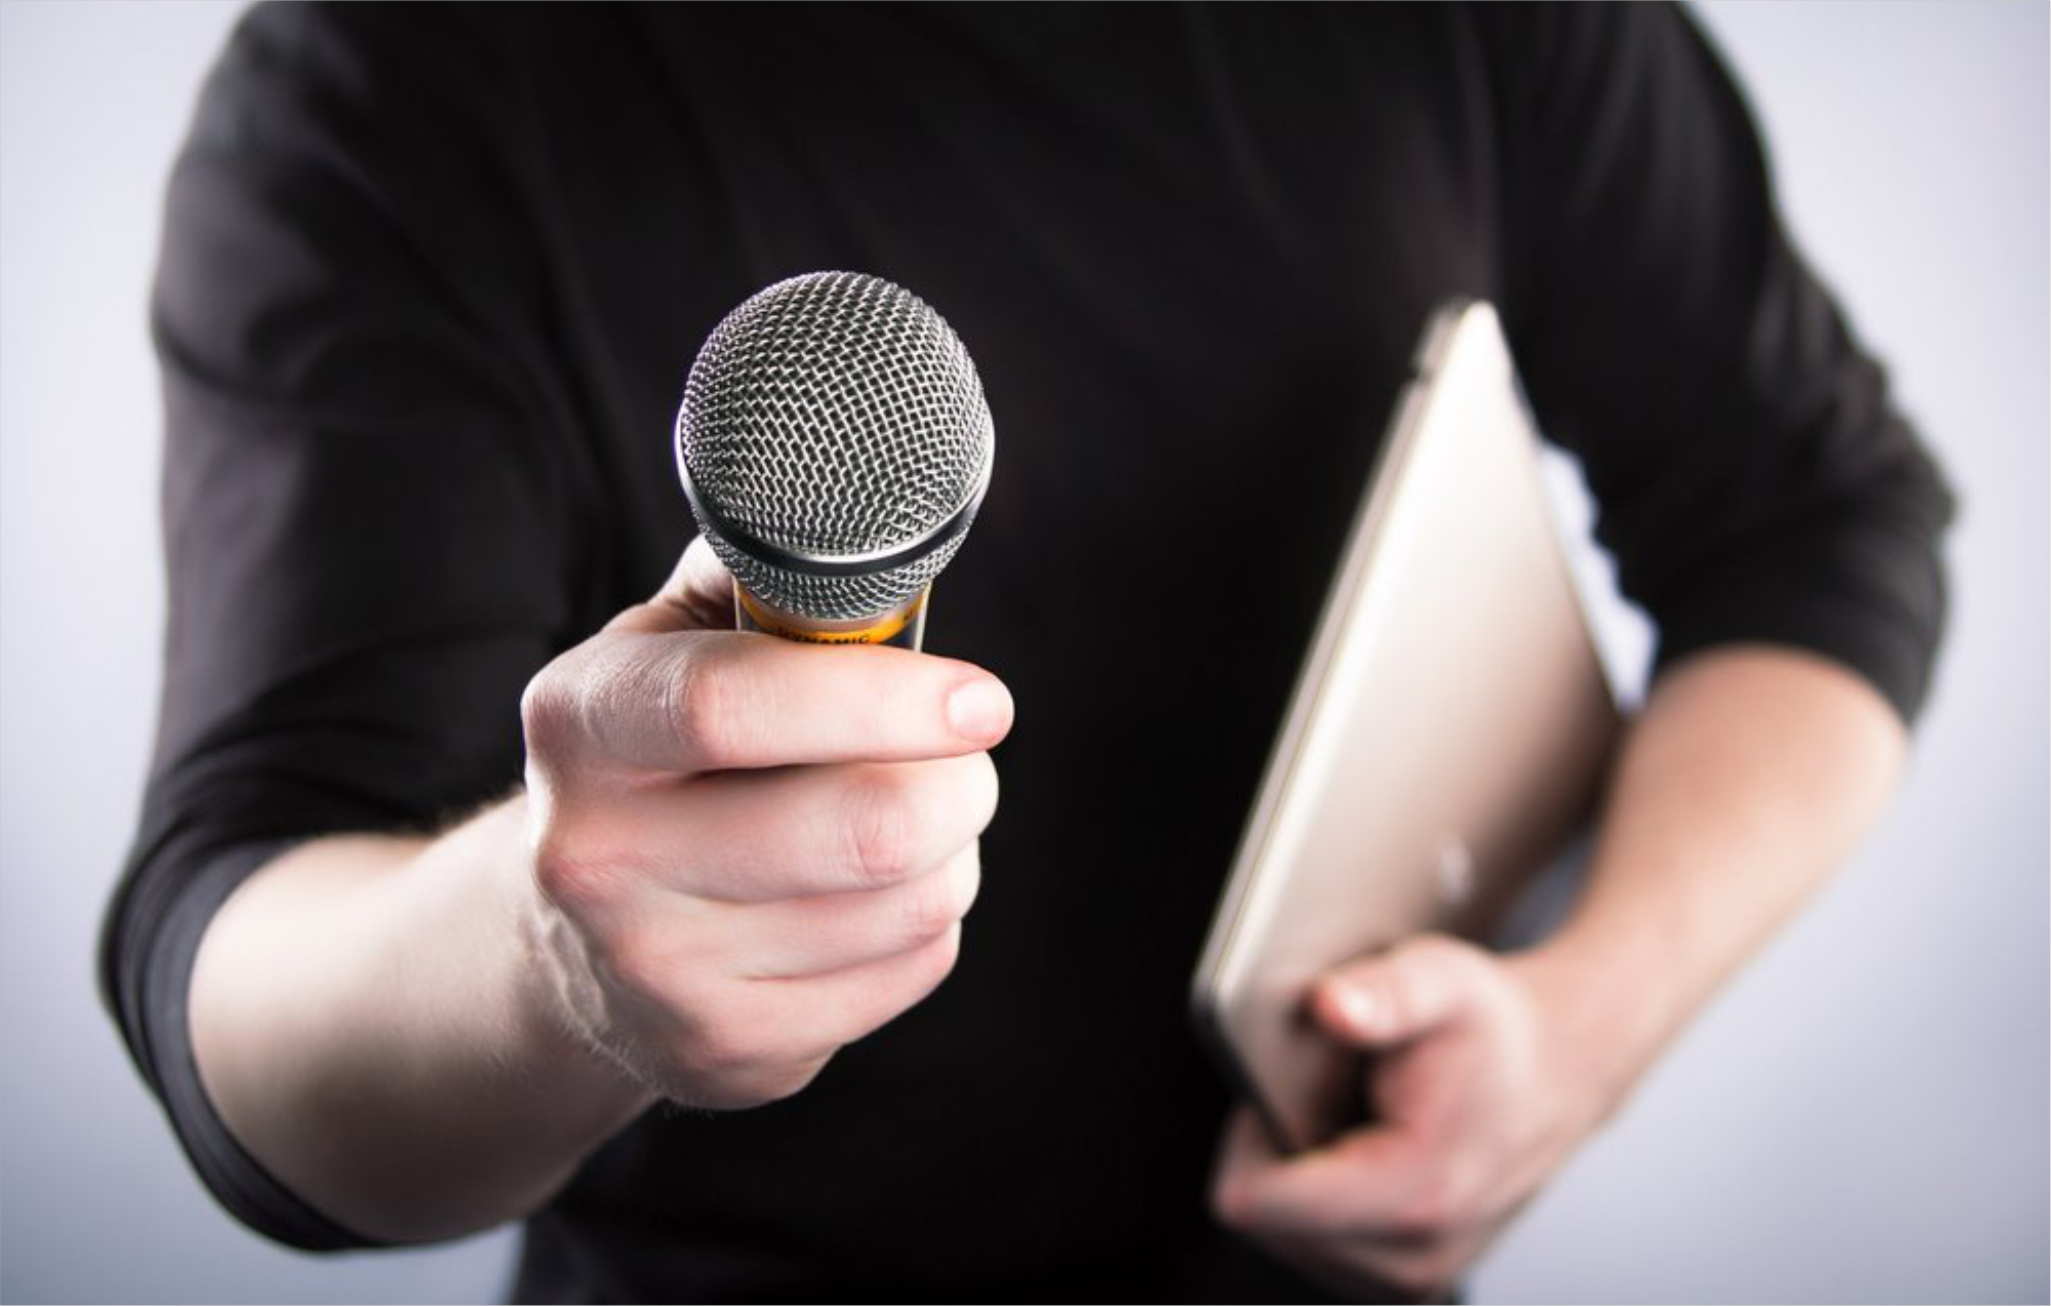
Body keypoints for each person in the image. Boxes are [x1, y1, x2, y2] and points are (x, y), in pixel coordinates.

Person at [101, 5, 1953, 1301]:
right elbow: (241, 977)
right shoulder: (387, 82)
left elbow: (1818, 521)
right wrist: (553, 956)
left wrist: (1587, 1023)